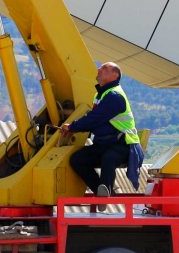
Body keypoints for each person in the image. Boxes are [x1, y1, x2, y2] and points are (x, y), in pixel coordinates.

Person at [61, 62, 144, 211]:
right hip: (104, 143)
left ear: (115, 75)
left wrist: (73, 127)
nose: (99, 69)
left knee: (109, 157)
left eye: (105, 68)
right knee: (78, 159)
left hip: (124, 144)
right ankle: (103, 192)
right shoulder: (100, 94)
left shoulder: (115, 96)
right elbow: (93, 118)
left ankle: (104, 191)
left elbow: (95, 118)